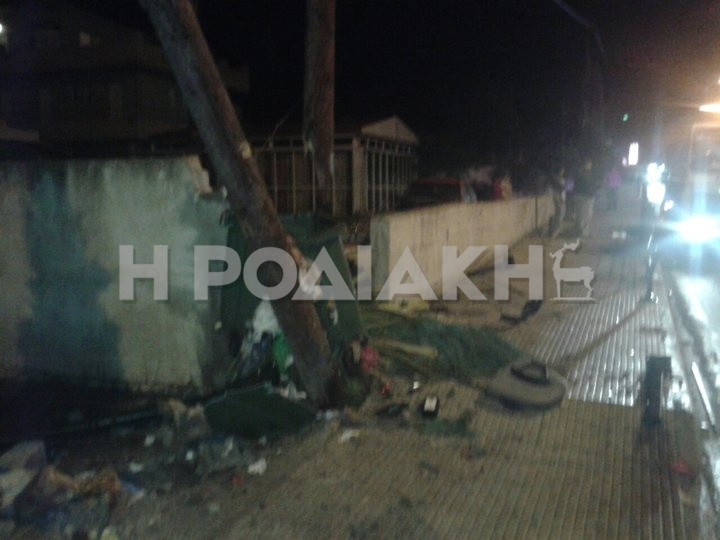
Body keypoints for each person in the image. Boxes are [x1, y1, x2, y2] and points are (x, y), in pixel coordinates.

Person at [573, 157, 600, 237]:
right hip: (586, 197)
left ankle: (579, 230)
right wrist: (594, 191)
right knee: (586, 215)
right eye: (589, 164)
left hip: (580, 195)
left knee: (580, 214)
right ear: (587, 164)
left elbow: (575, 184)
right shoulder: (586, 174)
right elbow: (588, 185)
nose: (590, 165)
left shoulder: (579, 173)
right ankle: (583, 231)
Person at [549, 165, 566, 237]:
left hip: (561, 197)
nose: (563, 172)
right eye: (562, 170)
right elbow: (560, 188)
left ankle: (557, 230)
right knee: (559, 213)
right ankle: (555, 231)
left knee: (561, 213)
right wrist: (565, 187)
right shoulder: (556, 178)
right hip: (558, 197)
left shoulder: (560, 178)